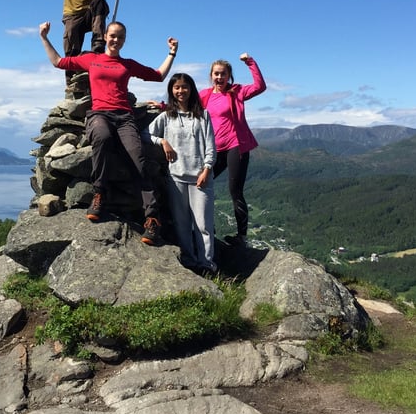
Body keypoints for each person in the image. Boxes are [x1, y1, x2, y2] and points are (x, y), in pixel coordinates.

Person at [39, 20, 177, 245]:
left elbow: (159, 75)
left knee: (138, 157)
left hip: (124, 117)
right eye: (112, 35)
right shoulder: (92, 59)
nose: (116, 40)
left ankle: (152, 218)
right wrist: (44, 37)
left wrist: (172, 53)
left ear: (124, 40)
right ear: (105, 36)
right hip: (99, 114)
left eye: (120, 37)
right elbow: (58, 62)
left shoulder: (127, 64)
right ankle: (99, 194)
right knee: (102, 138)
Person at [147, 73, 217, 273]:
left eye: (184, 87)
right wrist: (162, 141)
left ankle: (207, 265)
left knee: (203, 225)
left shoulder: (203, 115)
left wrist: (206, 169)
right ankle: (189, 261)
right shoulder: (166, 116)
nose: (180, 91)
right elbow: (145, 133)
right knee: (182, 224)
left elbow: (211, 147)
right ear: (171, 90)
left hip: (200, 178)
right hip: (176, 177)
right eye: (176, 87)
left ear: (191, 89)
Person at [200, 54, 266, 246]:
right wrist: (163, 106)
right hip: (214, 148)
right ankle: (206, 227)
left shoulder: (237, 92)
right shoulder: (204, 95)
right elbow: (185, 105)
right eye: (216, 74)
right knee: (202, 184)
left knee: (235, 191)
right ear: (211, 75)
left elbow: (260, 86)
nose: (219, 77)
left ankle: (241, 237)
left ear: (229, 76)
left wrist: (250, 62)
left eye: (223, 74)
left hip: (236, 146)